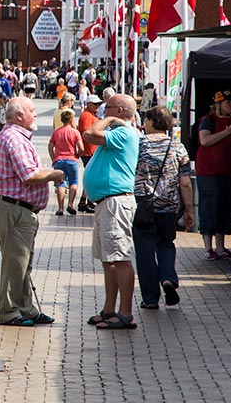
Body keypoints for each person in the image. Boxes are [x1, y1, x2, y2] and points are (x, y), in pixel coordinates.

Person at [0, 97, 65, 326]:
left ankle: (26, 309)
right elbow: (29, 176)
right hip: (15, 208)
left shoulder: (15, 136)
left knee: (21, 263)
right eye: (32, 110)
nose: (36, 114)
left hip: (16, 208)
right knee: (15, 263)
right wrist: (54, 174)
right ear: (19, 115)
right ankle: (10, 311)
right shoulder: (15, 139)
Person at [82, 94, 140, 331]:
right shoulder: (120, 132)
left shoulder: (124, 132)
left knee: (120, 256)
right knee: (109, 259)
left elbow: (89, 134)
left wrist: (107, 119)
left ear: (117, 110)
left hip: (116, 202)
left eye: (107, 107)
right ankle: (109, 308)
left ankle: (125, 312)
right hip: (107, 202)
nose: (102, 112)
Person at [133, 106, 193, 309]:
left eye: (146, 120)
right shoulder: (178, 147)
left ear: (151, 122)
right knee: (166, 243)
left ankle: (150, 298)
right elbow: (185, 182)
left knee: (145, 251)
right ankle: (168, 277)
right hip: (169, 207)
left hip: (143, 206)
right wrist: (190, 210)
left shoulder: (138, 145)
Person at [196, 90, 231, 260]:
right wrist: (226, 134)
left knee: (227, 209)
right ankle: (208, 247)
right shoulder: (208, 120)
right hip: (209, 173)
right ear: (219, 104)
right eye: (228, 103)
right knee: (210, 207)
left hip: (229, 172)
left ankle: (221, 247)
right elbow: (204, 140)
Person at [48, 109, 83, 216]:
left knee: (60, 183)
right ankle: (71, 204)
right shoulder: (75, 132)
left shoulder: (56, 132)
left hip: (59, 160)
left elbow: (50, 146)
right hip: (71, 160)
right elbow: (81, 148)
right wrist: (78, 155)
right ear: (71, 119)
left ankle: (60, 208)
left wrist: (53, 158)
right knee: (73, 182)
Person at [76, 95, 103, 212]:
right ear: (88, 104)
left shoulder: (91, 115)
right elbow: (87, 132)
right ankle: (87, 201)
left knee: (92, 175)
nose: (98, 106)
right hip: (89, 151)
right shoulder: (87, 115)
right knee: (92, 176)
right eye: (95, 104)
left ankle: (85, 201)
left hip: (91, 150)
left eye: (99, 104)